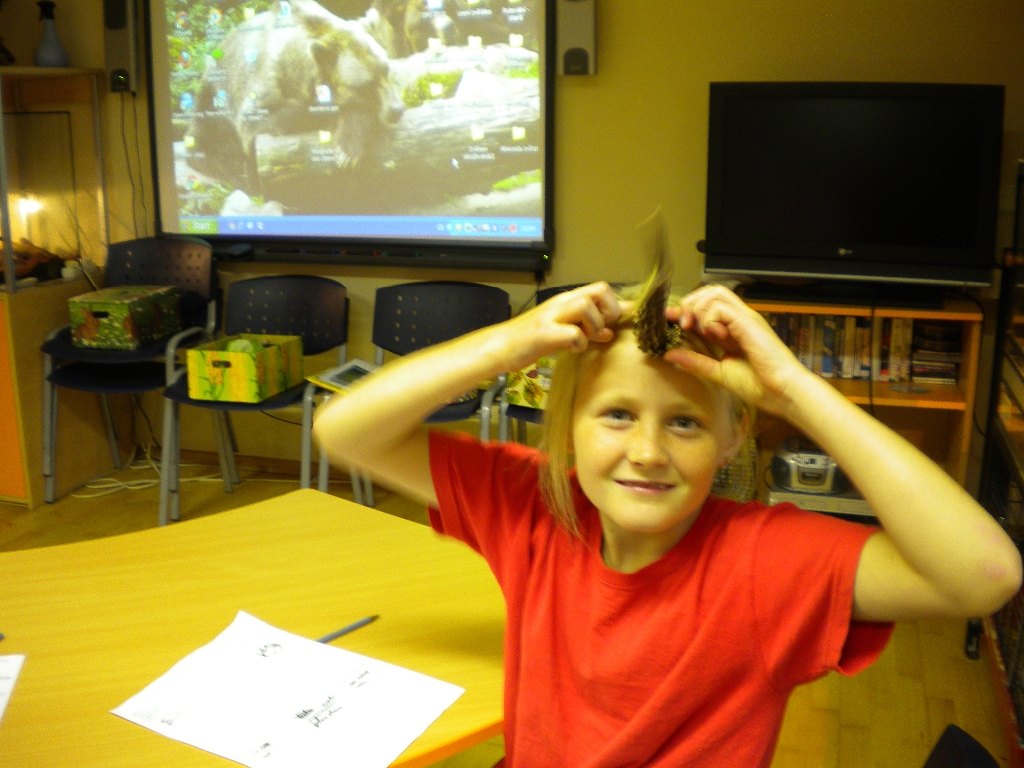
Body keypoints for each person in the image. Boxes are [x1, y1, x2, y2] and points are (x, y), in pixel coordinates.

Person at [313, 281, 1021, 767]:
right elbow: (345, 430)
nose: (648, 452)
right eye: (618, 414)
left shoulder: (766, 562)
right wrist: (510, 343)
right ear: (569, 425)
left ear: (733, 437)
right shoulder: (532, 506)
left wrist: (795, 393)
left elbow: (983, 574)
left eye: (685, 423)